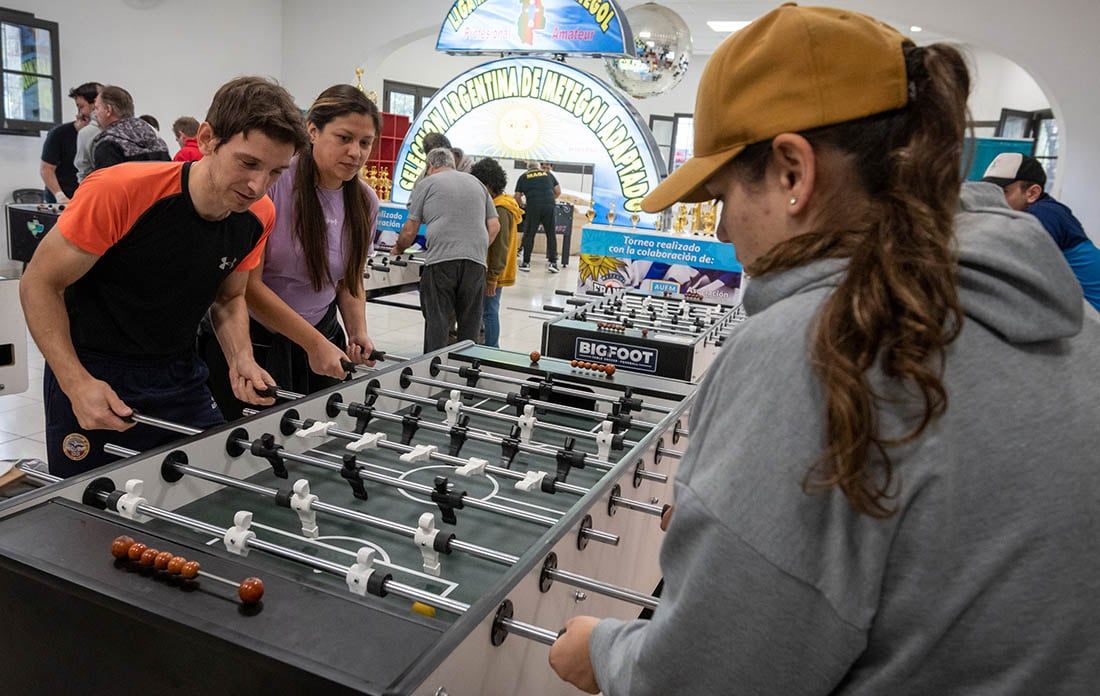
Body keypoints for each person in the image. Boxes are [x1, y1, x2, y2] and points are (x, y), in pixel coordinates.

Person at [549, 5, 1100, 695]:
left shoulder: (816, 344)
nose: (723, 230)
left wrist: (604, 652)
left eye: (722, 195)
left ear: (791, 172)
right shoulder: (1071, 318)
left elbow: (707, 679)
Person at [18, 76, 309, 477]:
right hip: (95, 371)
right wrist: (75, 382)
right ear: (207, 138)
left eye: (276, 172)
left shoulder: (258, 216)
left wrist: (240, 357)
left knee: (208, 493)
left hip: (179, 372)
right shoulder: (119, 192)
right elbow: (39, 283)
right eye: (248, 163)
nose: (259, 186)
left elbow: (229, 298)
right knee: (94, 521)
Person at [203, 84, 381, 419]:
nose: (355, 152)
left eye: (365, 142)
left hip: (321, 338)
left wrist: (357, 332)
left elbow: (350, 278)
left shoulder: (365, 201)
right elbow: (248, 289)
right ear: (313, 130)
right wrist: (313, 343)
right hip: (257, 340)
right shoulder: (273, 187)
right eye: (344, 138)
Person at [393, 147, 499, 352]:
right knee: (470, 327)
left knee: (438, 323)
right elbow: (494, 226)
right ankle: (468, 375)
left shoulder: (427, 183)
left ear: (430, 166)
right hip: (476, 263)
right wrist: (474, 246)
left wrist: (398, 248)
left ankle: (432, 374)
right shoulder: (476, 183)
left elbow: (410, 229)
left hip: (441, 263)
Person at [982, 152, 1100, 312]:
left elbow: (1010, 268)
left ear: (1032, 193)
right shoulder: (1038, 212)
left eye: (1004, 192)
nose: (992, 199)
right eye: (990, 191)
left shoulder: (1044, 214)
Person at [470, 157, 522, 347]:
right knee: (488, 310)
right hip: (494, 268)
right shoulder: (502, 202)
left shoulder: (500, 208)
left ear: (489, 184)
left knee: (489, 311)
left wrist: (492, 276)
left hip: (494, 270)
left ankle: (492, 348)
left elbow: (501, 245)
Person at [40, 82, 101, 203]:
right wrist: (60, 196)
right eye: (78, 107)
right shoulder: (59, 133)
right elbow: (46, 169)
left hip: (90, 199)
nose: (79, 112)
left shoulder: (107, 134)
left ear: (95, 105)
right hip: (65, 199)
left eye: (81, 107)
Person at [91, 85, 170, 170]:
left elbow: (107, 181)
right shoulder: (156, 138)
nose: (94, 114)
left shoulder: (108, 143)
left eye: (96, 108)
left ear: (108, 110)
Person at [515, 159, 561, 272]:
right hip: (549, 206)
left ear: (528, 168)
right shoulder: (548, 174)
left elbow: (517, 196)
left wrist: (522, 205)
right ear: (538, 167)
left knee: (529, 234)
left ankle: (526, 263)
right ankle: (553, 263)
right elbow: (558, 191)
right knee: (551, 234)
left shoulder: (523, 176)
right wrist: (549, 200)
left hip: (533, 206)